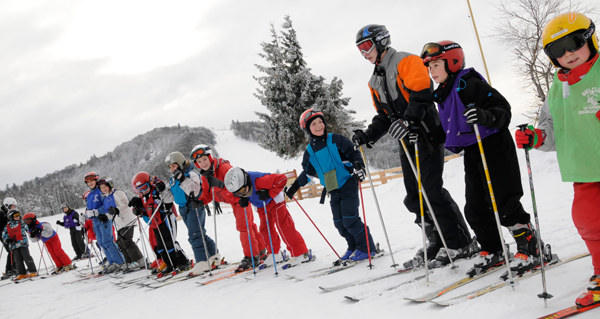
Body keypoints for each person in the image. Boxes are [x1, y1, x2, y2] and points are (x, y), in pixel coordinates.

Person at [421, 40, 550, 276]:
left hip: (493, 145)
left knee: (505, 202)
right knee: (476, 206)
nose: (432, 71)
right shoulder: (444, 93)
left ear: (453, 61)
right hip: (473, 150)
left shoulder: (468, 83)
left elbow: (502, 108)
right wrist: (423, 136)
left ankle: (532, 247)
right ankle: (494, 249)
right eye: (429, 67)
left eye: (436, 65)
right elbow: (449, 128)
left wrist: (485, 116)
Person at [351, 24, 475, 269]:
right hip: (405, 140)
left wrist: (410, 121)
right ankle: (438, 240)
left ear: (380, 41)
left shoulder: (406, 61)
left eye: (366, 46)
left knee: (431, 191)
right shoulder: (374, 79)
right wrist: (367, 136)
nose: (364, 53)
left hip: (425, 134)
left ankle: (459, 241)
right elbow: (385, 116)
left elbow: (422, 94)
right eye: (360, 49)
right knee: (413, 197)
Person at [516, 12, 599, 306]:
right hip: (585, 168)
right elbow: (551, 130)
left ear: (589, 39)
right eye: (557, 50)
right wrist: (535, 138)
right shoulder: (556, 88)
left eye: (574, 43)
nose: (568, 53)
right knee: (588, 221)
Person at [285, 109, 377, 263]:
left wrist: (359, 167)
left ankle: (367, 247)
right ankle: (353, 246)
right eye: (314, 124)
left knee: (350, 219)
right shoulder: (309, 151)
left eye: (321, 121)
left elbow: (354, 154)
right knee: (339, 223)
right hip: (332, 187)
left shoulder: (336, 139)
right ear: (307, 129)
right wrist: (293, 189)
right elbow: (307, 173)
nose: (319, 125)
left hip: (348, 182)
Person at [189, 144, 269, 270]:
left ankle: (251, 256)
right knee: (250, 226)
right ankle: (262, 250)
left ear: (210, 157)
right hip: (233, 203)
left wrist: (221, 184)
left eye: (204, 159)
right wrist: (200, 202)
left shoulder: (224, 168)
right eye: (199, 161)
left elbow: (239, 183)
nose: (203, 163)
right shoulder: (204, 176)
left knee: (244, 228)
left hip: (242, 200)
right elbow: (208, 194)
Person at [224, 166, 312, 271]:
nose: (241, 193)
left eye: (242, 190)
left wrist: (269, 193)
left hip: (275, 201)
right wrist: (242, 199)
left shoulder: (259, 181)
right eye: (237, 193)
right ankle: (275, 254)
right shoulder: (241, 189)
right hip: (262, 206)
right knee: (264, 229)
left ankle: (301, 253)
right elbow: (240, 194)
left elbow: (282, 179)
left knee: (283, 226)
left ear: (246, 182)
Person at [164, 151, 219, 276]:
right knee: (200, 233)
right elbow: (170, 198)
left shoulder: (191, 174)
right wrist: (162, 190)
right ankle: (214, 256)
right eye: (170, 167)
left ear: (180, 163)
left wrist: (183, 179)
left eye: (174, 166)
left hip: (194, 206)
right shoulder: (172, 179)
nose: (172, 169)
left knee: (194, 235)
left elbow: (197, 190)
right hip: (183, 209)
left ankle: (202, 262)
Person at [129, 171, 191, 276]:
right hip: (155, 223)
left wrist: (162, 192)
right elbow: (145, 211)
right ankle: (170, 263)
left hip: (166, 219)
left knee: (170, 242)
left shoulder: (156, 191)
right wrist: (138, 210)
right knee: (161, 246)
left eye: (145, 187)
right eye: (140, 190)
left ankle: (183, 261)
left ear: (149, 183)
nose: (143, 191)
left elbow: (168, 198)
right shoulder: (143, 198)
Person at [98, 177, 145, 271]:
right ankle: (129, 261)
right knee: (120, 242)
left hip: (127, 220)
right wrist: (105, 216)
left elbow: (125, 204)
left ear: (109, 185)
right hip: (119, 224)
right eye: (101, 188)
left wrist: (117, 209)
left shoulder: (117, 193)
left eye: (104, 186)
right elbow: (111, 212)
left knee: (127, 240)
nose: (103, 189)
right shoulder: (106, 198)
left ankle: (139, 260)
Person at [83, 171, 124, 273]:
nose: (90, 183)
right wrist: (85, 216)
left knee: (107, 240)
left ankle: (119, 261)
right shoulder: (89, 196)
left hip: (104, 219)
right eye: (88, 182)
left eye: (92, 180)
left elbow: (107, 204)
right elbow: (89, 209)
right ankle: (111, 261)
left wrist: (97, 211)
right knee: (101, 242)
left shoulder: (100, 191)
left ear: (96, 180)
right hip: (95, 222)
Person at [2, 210, 37, 280]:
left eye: (18, 215)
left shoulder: (22, 223)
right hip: (13, 245)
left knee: (27, 257)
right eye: (15, 215)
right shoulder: (7, 226)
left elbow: (28, 229)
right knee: (17, 260)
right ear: (10, 217)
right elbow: (4, 235)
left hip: (23, 243)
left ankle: (33, 270)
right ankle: (22, 273)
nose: (18, 216)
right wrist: (7, 239)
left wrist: (32, 232)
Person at [1, 198, 17, 279]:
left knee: (14, 250)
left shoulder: (9, 212)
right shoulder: (1, 213)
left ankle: (16, 267)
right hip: (4, 235)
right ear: (7, 205)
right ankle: (9, 270)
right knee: (11, 250)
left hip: (10, 234)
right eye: (12, 206)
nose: (13, 208)